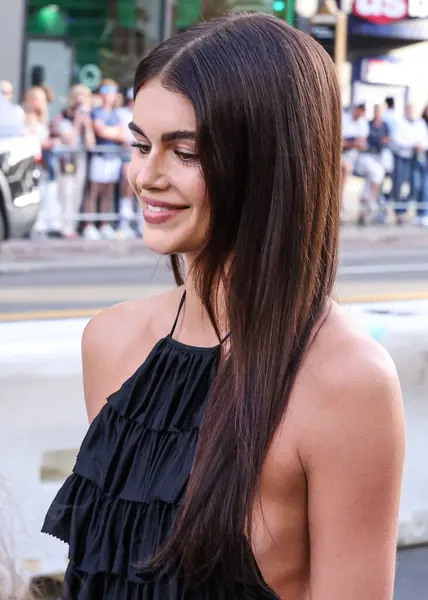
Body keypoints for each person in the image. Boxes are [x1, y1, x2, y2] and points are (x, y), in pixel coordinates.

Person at [42, 14, 404, 600]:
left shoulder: (347, 381)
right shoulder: (111, 340)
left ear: (267, 163)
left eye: (183, 153)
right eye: (139, 144)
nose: (145, 176)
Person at [81, 79, 125, 240]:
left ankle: (104, 224)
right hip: (99, 156)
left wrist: (110, 132)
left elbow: (121, 133)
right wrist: (112, 132)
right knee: (93, 191)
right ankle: (88, 225)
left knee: (108, 191)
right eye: (106, 91)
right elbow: (100, 131)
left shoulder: (116, 114)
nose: (109, 95)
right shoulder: (96, 111)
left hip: (112, 156)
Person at [52, 84, 95, 238]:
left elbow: (91, 143)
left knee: (77, 192)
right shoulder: (62, 116)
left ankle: (72, 226)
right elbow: (70, 139)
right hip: (66, 159)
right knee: (67, 191)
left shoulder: (87, 117)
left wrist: (87, 124)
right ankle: (65, 227)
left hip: (80, 158)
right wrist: (77, 120)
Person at [24, 86, 62, 236]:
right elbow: (28, 139)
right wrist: (44, 143)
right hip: (30, 162)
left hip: (44, 162)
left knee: (46, 192)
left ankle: (44, 223)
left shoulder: (44, 120)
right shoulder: (25, 119)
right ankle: (33, 224)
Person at [391, 103, 428, 225]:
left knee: (416, 186)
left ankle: (408, 210)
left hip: (417, 159)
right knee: (399, 185)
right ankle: (399, 212)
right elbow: (397, 140)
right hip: (402, 159)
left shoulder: (420, 124)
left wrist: (420, 146)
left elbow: (424, 139)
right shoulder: (400, 123)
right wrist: (412, 145)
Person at [357, 104, 391, 224]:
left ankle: (364, 212)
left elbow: (387, 140)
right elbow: (364, 140)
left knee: (371, 181)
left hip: (379, 157)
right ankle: (371, 201)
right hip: (367, 156)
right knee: (377, 173)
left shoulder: (385, 126)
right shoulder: (368, 124)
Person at [116, 86, 138, 238]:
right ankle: (123, 224)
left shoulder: (145, 115)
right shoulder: (121, 114)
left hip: (141, 157)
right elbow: (121, 135)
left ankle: (140, 225)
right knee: (126, 188)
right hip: (125, 157)